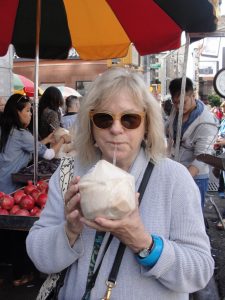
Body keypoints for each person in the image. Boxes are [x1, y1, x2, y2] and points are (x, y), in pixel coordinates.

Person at [26, 68, 214, 300]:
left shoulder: (174, 179)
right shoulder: (69, 173)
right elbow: (39, 255)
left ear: (146, 124)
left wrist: (142, 242)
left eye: (130, 119)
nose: (116, 129)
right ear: (91, 125)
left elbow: (200, 271)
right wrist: (70, 230)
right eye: (104, 118)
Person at [0, 93, 71, 194]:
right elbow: (49, 154)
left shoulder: (6, 129)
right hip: (10, 189)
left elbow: (28, 147)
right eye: (28, 110)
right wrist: (63, 139)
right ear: (17, 112)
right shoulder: (21, 134)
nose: (31, 114)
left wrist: (46, 140)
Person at [167, 77, 218, 208]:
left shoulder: (206, 122)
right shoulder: (177, 109)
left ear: (193, 95)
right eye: (175, 103)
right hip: (175, 170)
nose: (179, 106)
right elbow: (167, 128)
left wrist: (183, 182)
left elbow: (202, 158)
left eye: (183, 102)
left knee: (192, 219)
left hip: (196, 177)